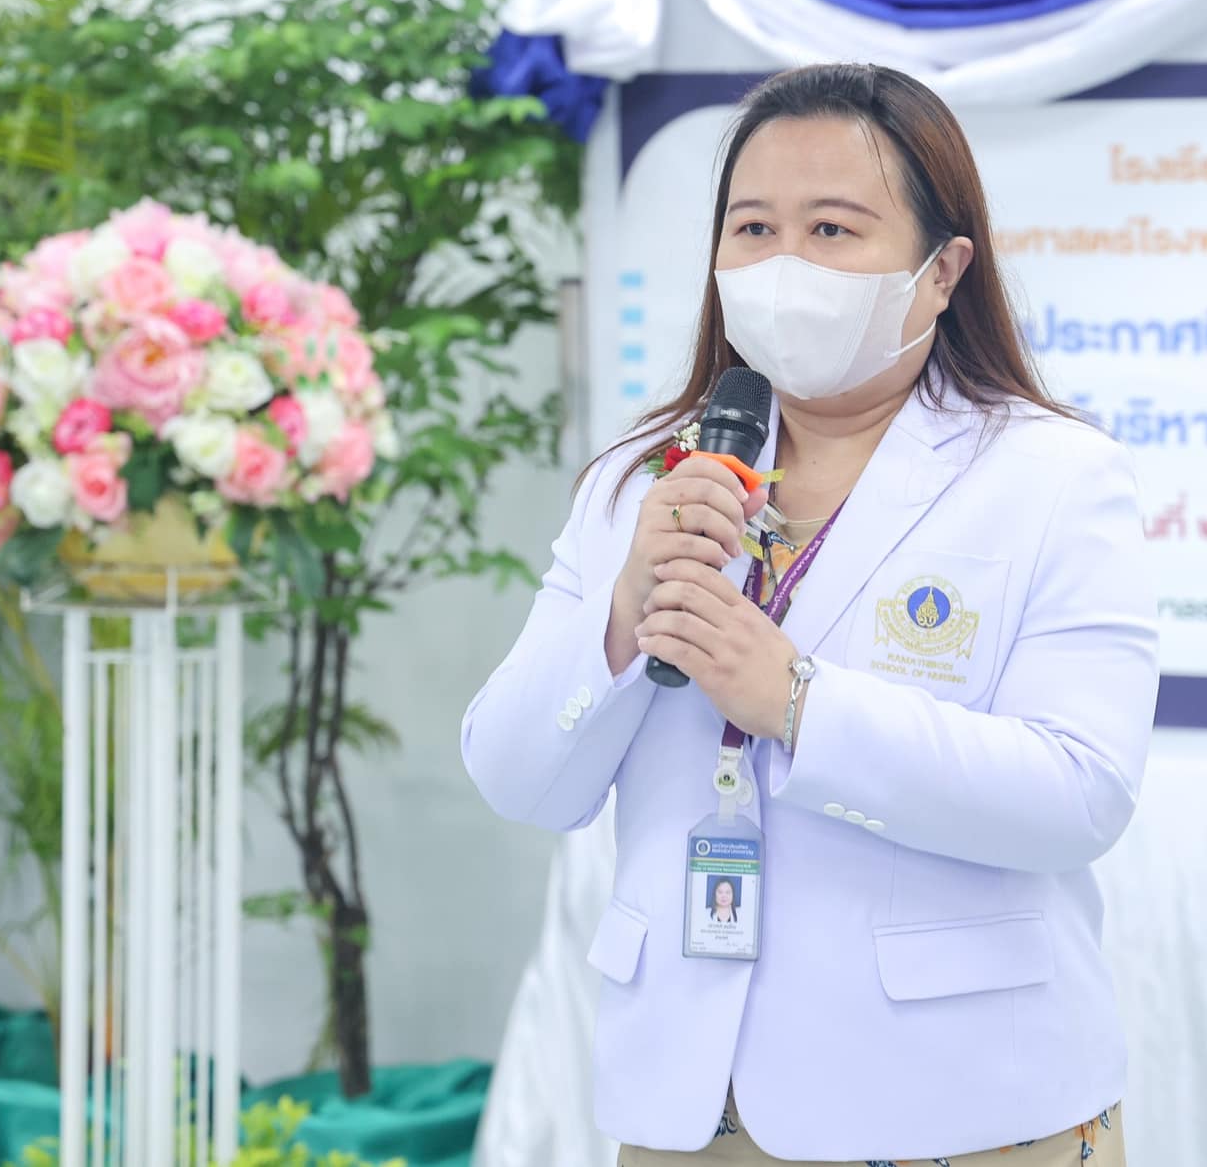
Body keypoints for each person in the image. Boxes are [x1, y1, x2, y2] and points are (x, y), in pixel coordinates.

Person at [462, 63, 1158, 1166]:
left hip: (959, 1104)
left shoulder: (1054, 475)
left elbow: (1077, 795)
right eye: (753, 228)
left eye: (831, 229)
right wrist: (623, 610)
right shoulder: (641, 483)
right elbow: (515, 778)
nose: (784, 265)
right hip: (694, 1111)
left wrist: (796, 703)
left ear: (942, 272)